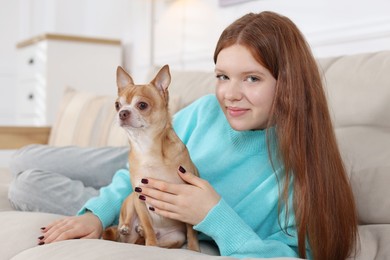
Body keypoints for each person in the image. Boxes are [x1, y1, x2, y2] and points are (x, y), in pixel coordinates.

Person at [8, 11, 358, 260]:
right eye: (222, 76)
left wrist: (213, 214)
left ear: (290, 86)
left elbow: (288, 254)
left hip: (151, 206)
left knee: (25, 185)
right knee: (23, 156)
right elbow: (128, 176)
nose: (230, 95)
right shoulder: (207, 110)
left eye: (251, 78)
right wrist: (95, 214)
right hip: (141, 159)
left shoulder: (298, 173)